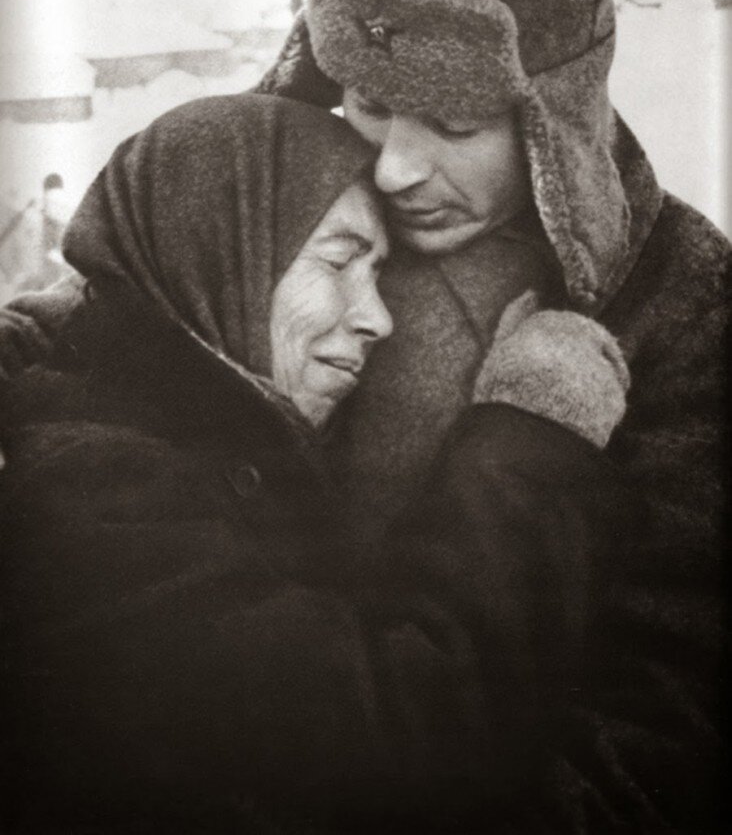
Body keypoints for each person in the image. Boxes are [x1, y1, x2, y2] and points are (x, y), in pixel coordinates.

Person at [0, 0, 728, 831]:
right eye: (373, 104)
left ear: (555, 116)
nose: (393, 170)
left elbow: (668, 706)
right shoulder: (291, 193)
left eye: (455, 125)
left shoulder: (678, 301)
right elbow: (142, 296)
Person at [1, 91, 630, 833]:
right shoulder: (88, 496)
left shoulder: (182, 447)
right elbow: (402, 746)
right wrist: (531, 434)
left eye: (380, 273)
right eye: (339, 260)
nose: (379, 318)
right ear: (215, 255)